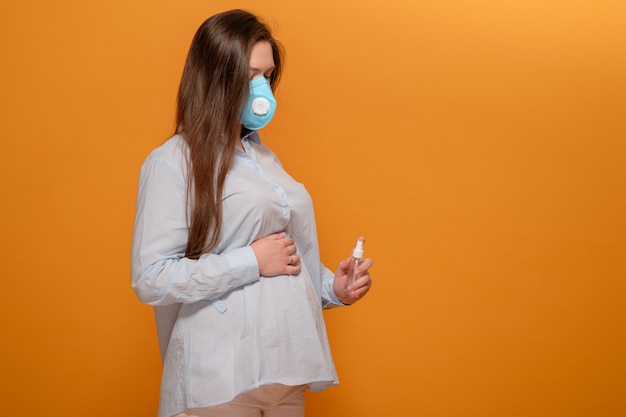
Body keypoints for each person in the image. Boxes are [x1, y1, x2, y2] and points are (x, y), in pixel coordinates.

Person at [131, 9, 373, 417]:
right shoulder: (174, 160)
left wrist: (334, 289)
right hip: (220, 375)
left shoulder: (265, 158)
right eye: (249, 76)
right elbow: (151, 279)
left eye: (267, 75)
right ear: (216, 78)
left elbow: (284, 259)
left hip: (285, 370)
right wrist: (251, 261)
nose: (262, 89)